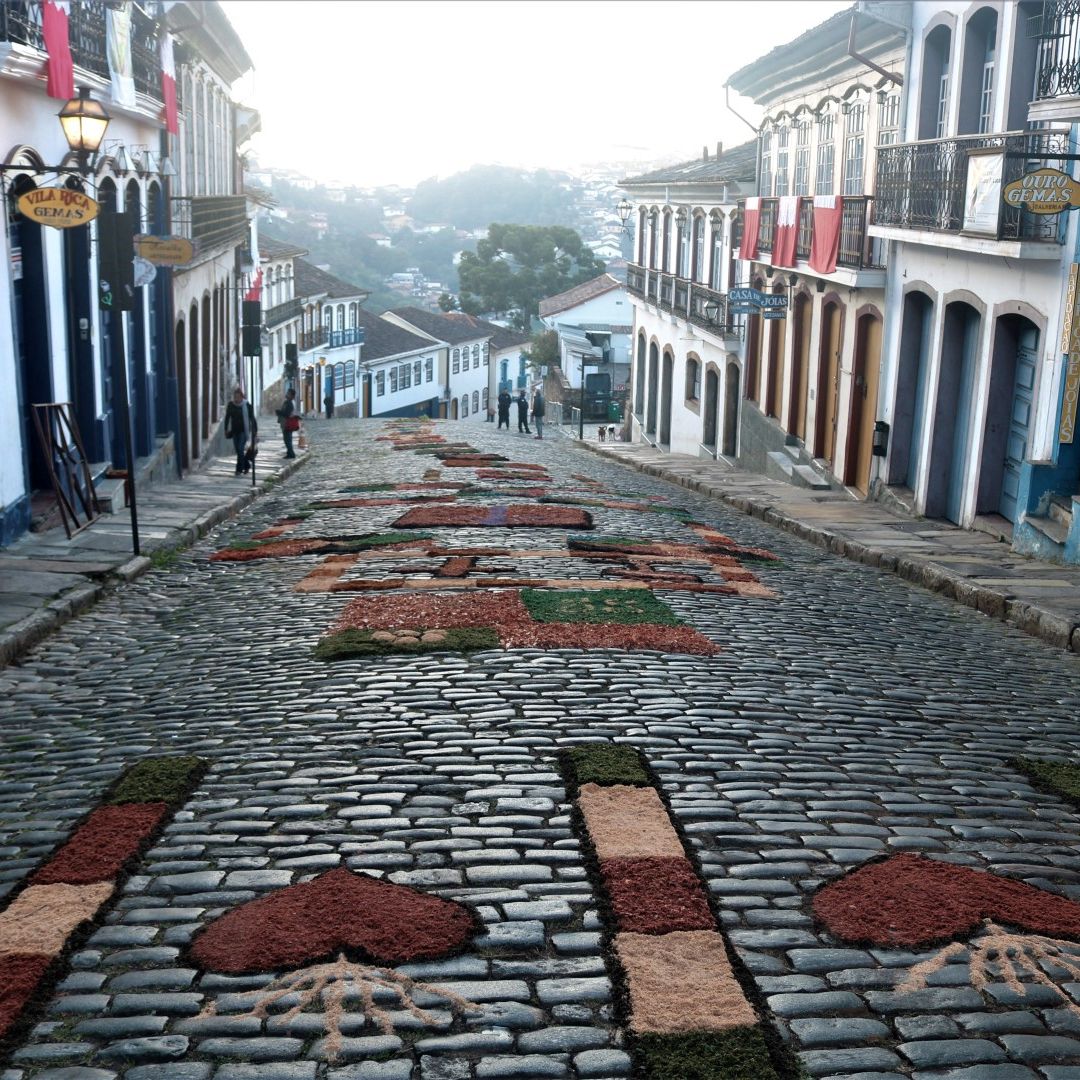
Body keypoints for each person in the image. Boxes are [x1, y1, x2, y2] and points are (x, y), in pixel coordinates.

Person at [224, 387, 257, 475]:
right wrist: (226, 429)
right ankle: (246, 465)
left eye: (238, 397)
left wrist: (255, 431)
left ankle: (238, 469)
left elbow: (252, 419)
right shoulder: (231, 405)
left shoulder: (247, 405)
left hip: (243, 431)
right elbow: (227, 417)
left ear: (242, 397)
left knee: (240, 448)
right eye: (235, 397)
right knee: (238, 450)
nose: (236, 399)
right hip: (234, 431)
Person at [276, 387, 298, 458]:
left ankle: (291, 454)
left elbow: (287, 414)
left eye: (288, 393)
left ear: (292, 395)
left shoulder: (290, 403)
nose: (287, 394)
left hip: (287, 423)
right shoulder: (288, 402)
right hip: (286, 423)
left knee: (287, 439)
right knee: (287, 439)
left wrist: (279, 412)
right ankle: (289, 453)